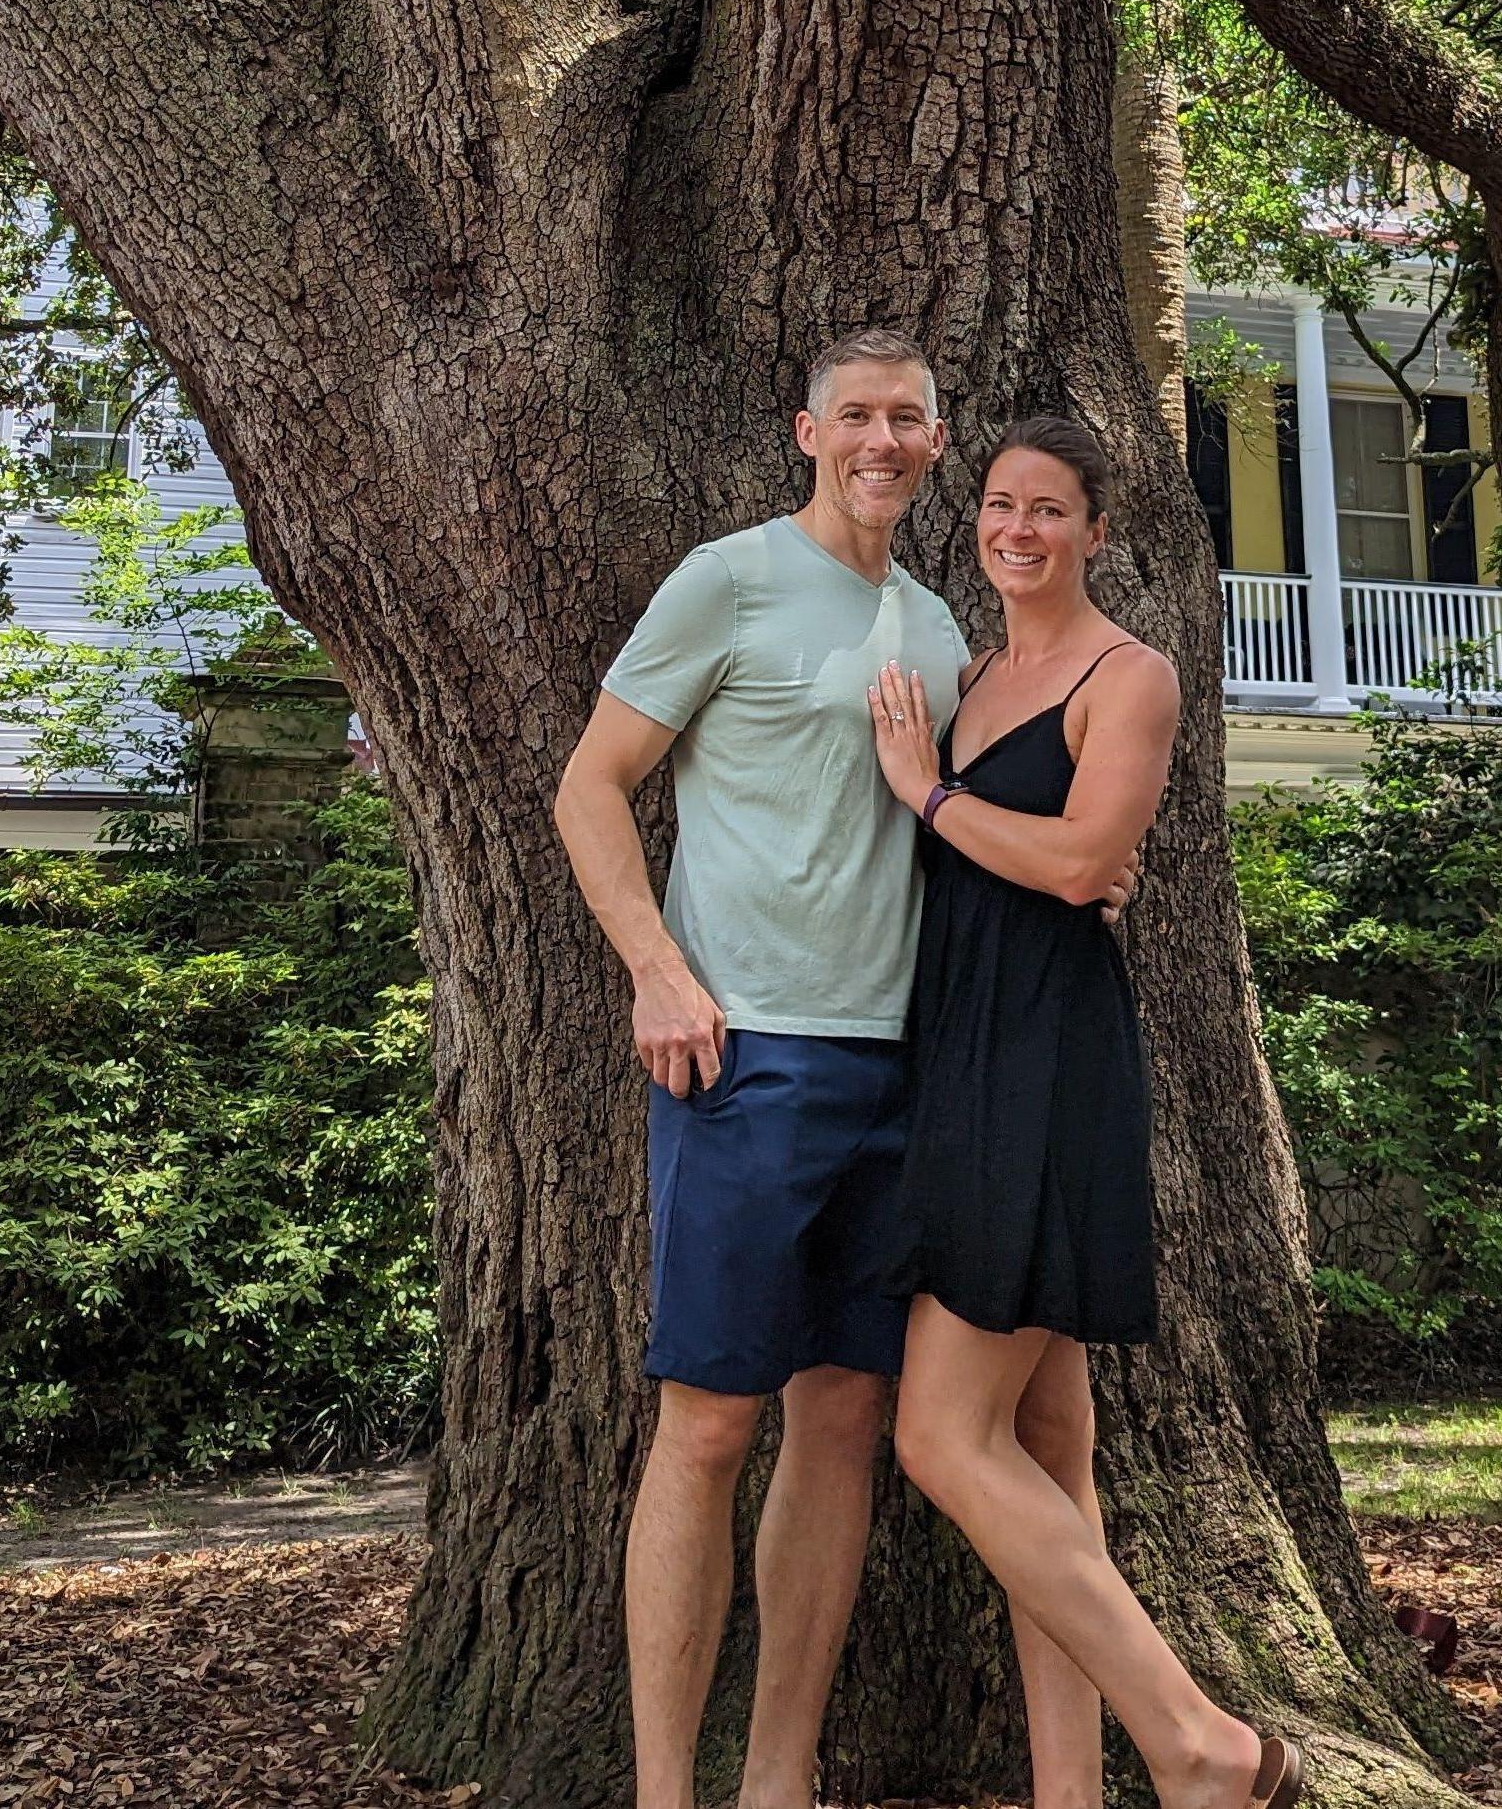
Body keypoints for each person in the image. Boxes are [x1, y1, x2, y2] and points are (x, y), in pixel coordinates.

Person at [552, 329, 970, 1809]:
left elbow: (952, 836)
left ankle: (775, 1780)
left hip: (899, 1066)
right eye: (854, 413)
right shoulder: (725, 577)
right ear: (806, 431)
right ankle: (668, 1792)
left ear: (935, 439)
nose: (880, 438)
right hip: (744, 1052)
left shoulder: (937, 628)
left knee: (845, 1417)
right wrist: (659, 973)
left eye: (905, 417)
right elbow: (589, 785)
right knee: (712, 1419)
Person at [870, 416, 1303, 1809]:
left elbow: (1079, 865)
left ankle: (1203, 1747)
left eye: (1048, 509)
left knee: (941, 1437)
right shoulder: (978, 670)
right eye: (999, 504)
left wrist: (929, 795)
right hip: (953, 1054)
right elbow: (1014, 863)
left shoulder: (1131, 675)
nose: (1018, 529)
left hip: (1046, 1068)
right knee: (1051, 1449)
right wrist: (947, 804)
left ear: (1097, 531)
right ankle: (1073, 1792)